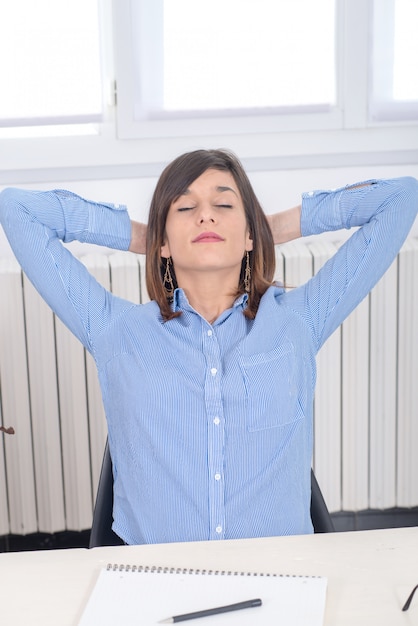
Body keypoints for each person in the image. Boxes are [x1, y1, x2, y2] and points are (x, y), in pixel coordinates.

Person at [0, 149, 417, 545]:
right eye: (184, 208)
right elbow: (16, 209)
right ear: (162, 242)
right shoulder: (116, 330)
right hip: (157, 580)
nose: (204, 215)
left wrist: (270, 229)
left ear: (250, 233)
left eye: (224, 206)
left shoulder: (298, 321)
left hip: (283, 571)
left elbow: (401, 198)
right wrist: (147, 236)